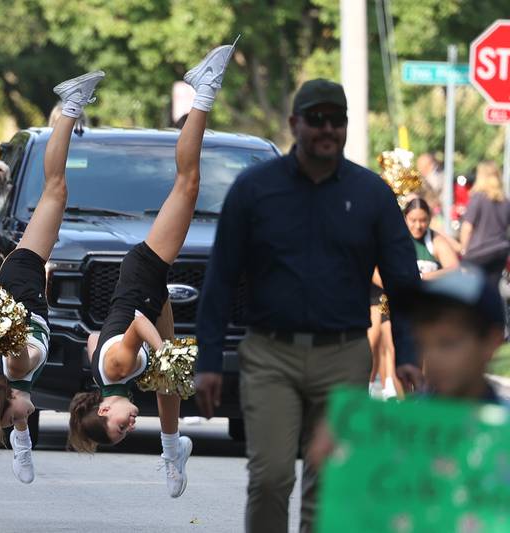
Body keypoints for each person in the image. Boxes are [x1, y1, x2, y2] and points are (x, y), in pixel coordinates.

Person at [195, 79, 420, 532]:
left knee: (330, 483)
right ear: (295, 123)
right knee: (271, 477)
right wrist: (209, 359)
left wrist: (410, 357)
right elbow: (219, 278)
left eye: (336, 120)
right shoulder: (254, 189)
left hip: (343, 357)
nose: (327, 129)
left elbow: (404, 283)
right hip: (270, 353)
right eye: (316, 119)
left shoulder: (372, 194)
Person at [67, 41, 237, 498]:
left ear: (105, 412)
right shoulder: (107, 375)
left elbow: (137, 325)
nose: (127, 427)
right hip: (145, 288)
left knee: (189, 181)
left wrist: (164, 352)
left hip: (145, 271)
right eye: (127, 434)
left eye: (121, 429)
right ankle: (170, 448)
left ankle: (203, 91)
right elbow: (91, 340)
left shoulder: (119, 367)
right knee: (166, 381)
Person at [0, 70, 106, 484]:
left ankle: (68, 107)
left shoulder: (18, 364)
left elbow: (13, 355)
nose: (22, 423)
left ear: (10, 400)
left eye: (16, 423)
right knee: (55, 191)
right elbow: (14, 411)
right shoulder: (13, 382)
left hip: (22, 275)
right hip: (20, 278)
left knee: (55, 190)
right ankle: (67, 110)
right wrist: (22, 453)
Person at [307, 267, 508, 472]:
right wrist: (345, 451)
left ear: (491, 342)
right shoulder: (396, 428)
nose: (432, 358)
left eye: (448, 343)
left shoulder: (503, 428)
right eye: (422, 343)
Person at [459, 161, 510, 289]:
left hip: (479, 252)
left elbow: (467, 227)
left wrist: (464, 250)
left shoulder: (478, 198)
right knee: (492, 289)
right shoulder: (505, 200)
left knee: (473, 290)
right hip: (500, 250)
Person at [403, 197, 459, 279]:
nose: (418, 226)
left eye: (423, 220)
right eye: (413, 220)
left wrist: (421, 277)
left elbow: (455, 270)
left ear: (429, 219)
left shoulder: (436, 240)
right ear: (405, 218)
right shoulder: (396, 239)